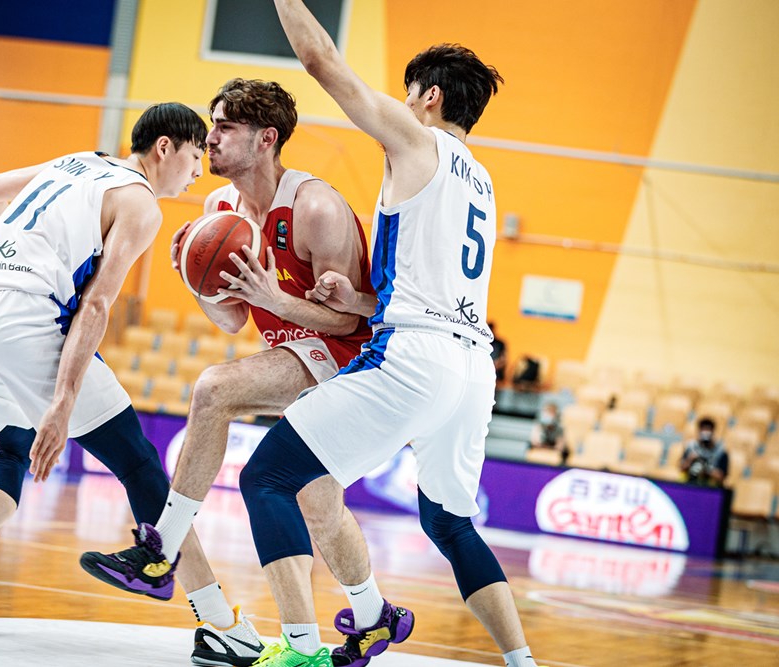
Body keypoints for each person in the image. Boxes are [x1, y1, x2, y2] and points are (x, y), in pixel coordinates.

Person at [227, 3, 540, 666]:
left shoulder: (417, 136)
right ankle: (520, 661)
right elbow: (435, 287)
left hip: (412, 359)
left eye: (404, 94)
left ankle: (302, 649)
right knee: (449, 524)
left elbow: (322, 64)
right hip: (469, 367)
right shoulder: (480, 179)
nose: (393, 105)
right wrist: (360, 297)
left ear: (428, 97)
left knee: (268, 476)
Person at [0, 103, 266, 667]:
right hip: (22, 323)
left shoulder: (78, 161)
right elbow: (97, 305)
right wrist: (62, 403)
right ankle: (219, 621)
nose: (199, 172)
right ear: (165, 148)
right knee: (139, 464)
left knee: (10, 446)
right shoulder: (139, 202)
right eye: (196, 156)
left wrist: (30, 258)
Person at [83, 78, 412, 667]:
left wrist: (278, 301)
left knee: (214, 390)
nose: (209, 139)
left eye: (224, 128)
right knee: (317, 502)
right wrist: (193, 274)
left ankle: (162, 549)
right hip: (293, 348)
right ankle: (374, 615)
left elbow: (345, 323)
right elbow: (233, 320)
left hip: (349, 359)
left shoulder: (316, 208)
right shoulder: (221, 210)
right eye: (211, 126)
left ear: (266, 139)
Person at [680, 417, 729, 486]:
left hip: (709, 487)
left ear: (713, 431)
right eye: (703, 429)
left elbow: (721, 477)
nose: (705, 433)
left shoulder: (720, 452)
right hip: (690, 483)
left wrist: (706, 470)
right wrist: (690, 459)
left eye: (708, 430)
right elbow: (681, 469)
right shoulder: (691, 447)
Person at [489, 320, 507, 384]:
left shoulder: (500, 343)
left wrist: (494, 365)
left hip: (497, 374)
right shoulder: (484, 342)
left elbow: (503, 359)